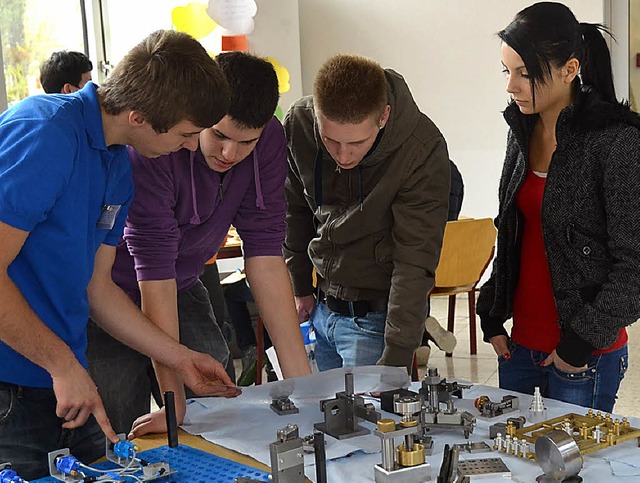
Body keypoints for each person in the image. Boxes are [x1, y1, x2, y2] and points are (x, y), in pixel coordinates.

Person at [0, 30, 239, 479]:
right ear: (140, 116)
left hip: (66, 383)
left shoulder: (117, 164)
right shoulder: (44, 133)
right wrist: (61, 363)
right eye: (187, 134)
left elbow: (99, 288)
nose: (191, 147)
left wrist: (179, 357)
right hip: (13, 388)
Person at [89, 51, 311, 439]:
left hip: (184, 281)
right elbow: (153, 273)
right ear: (197, 117)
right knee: (120, 412)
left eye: (247, 143)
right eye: (219, 135)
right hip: (112, 290)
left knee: (216, 396)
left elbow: (265, 255)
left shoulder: (271, 140)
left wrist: (306, 389)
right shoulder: (157, 146)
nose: (230, 154)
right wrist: (172, 402)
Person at [477, 1, 640, 413]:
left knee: (573, 474)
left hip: (583, 355)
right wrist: (493, 314)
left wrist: (578, 345)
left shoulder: (616, 142)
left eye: (525, 74)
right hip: (518, 348)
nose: (511, 87)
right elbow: (513, 230)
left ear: (570, 70)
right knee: (514, 470)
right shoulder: (521, 132)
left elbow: (635, 266)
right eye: (507, 72)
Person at [284, 54, 450, 372]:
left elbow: (414, 260)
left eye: (357, 143)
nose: (343, 155)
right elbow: (294, 210)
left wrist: (398, 354)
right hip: (321, 306)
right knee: (322, 418)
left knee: (370, 422)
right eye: (330, 140)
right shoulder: (299, 124)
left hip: (377, 320)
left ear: (384, 116)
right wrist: (300, 286)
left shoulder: (421, 148)